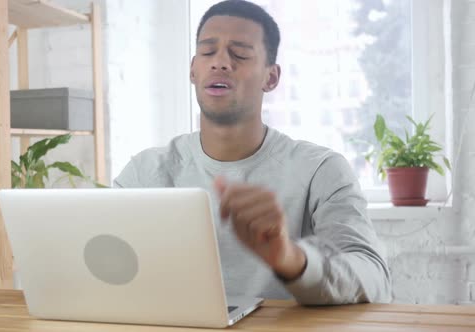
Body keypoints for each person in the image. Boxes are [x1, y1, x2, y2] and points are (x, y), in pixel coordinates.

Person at [114, 0, 392, 305]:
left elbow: (374, 278)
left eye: (240, 54)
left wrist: (291, 258)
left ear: (270, 78)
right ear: (193, 70)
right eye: (208, 52)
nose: (220, 63)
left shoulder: (321, 170)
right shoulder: (145, 172)